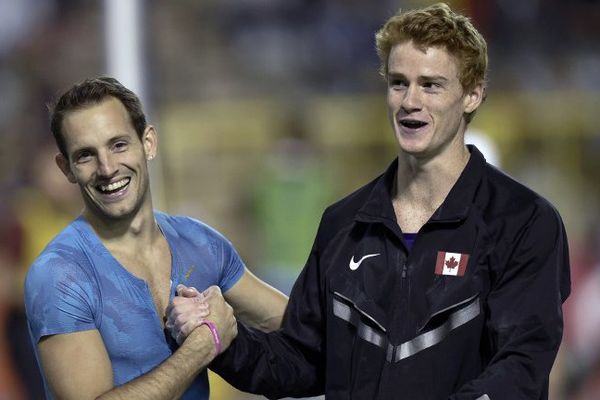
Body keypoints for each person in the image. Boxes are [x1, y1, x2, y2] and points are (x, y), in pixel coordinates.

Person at [169, 3, 571, 399]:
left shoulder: (524, 221)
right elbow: (298, 361)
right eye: (398, 83)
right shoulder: (344, 224)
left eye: (430, 85)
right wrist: (220, 340)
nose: (410, 101)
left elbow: (519, 366)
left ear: (472, 95)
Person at [23, 76, 288, 400]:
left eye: (118, 144)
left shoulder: (200, 243)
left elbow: (299, 324)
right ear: (66, 168)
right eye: (86, 155)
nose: (107, 168)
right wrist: (204, 345)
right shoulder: (61, 275)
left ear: (148, 143)